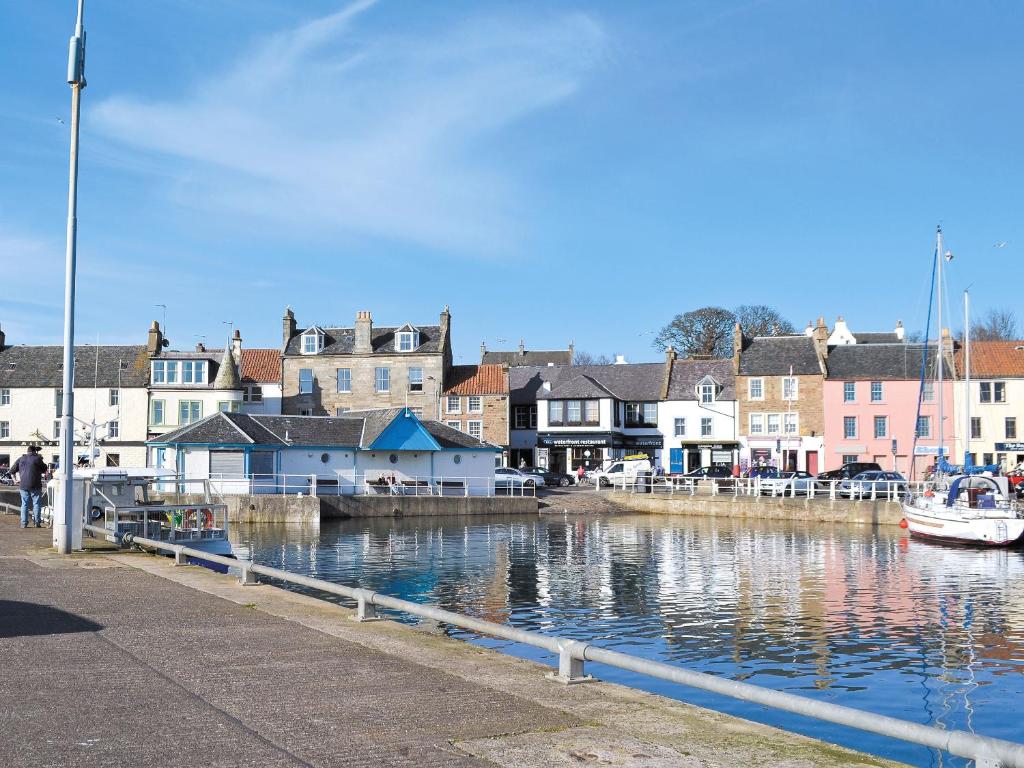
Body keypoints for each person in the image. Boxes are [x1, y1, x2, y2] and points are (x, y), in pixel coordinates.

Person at [11, 446, 47, 529]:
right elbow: (44, 469)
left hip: (23, 485)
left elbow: (12, 471)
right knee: (36, 503)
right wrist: (41, 458)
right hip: (36, 485)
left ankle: (24, 523)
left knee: (24, 504)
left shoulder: (20, 459)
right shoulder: (37, 459)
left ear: (27, 451)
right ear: (34, 451)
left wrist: (15, 480)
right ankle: (37, 523)